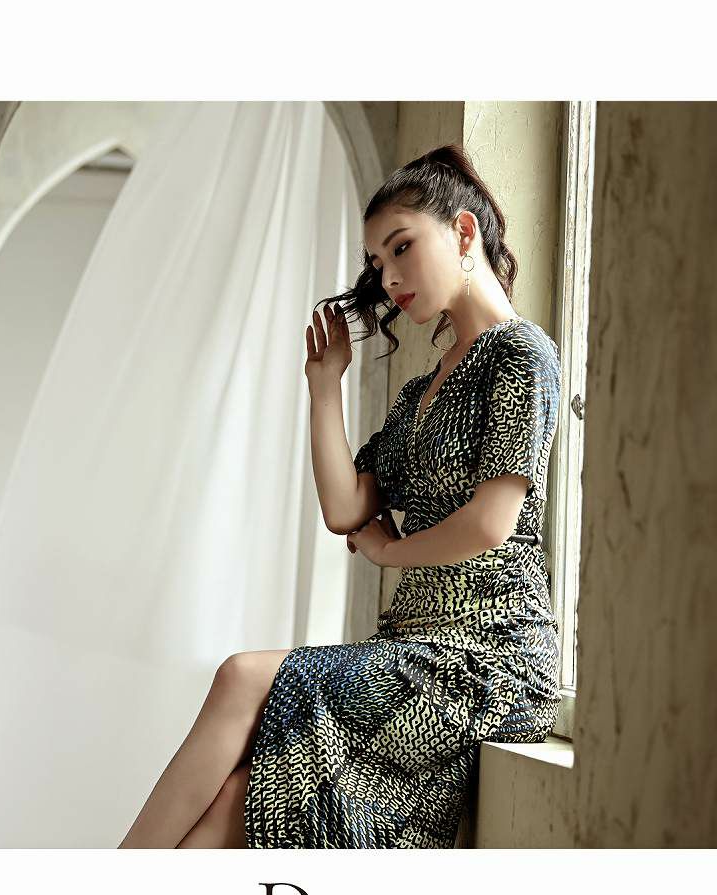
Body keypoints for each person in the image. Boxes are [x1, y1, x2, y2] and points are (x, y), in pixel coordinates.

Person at [119, 142, 562, 849]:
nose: (388, 277)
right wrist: (324, 385)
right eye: (377, 263)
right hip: (413, 650)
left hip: (488, 661)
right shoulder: (421, 393)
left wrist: (390, 552)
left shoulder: (521, 353)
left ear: (464, 233)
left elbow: (490, 523)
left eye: (401, 248)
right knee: (236, 799)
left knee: (243, 676)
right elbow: (346, 508)